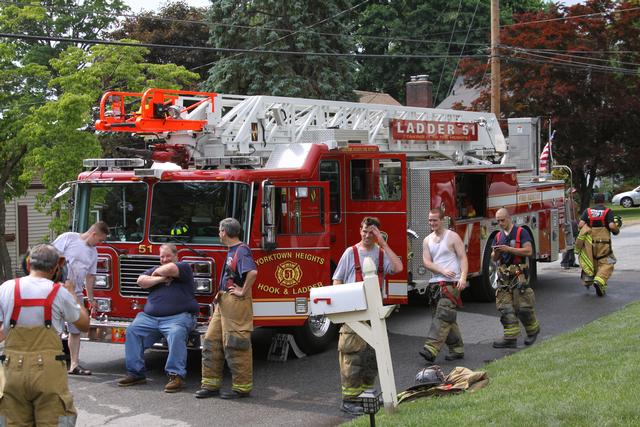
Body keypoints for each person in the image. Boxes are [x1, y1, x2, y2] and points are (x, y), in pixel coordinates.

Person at [0, 244, 89, 426]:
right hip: (48, 371)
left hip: (11, 370)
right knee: (56, 419)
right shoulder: (59, 292)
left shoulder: (6, 288)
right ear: (55, 267)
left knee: (10, 420)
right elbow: (84, 324)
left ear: (28, 263)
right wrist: (73, 295)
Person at [331, 216, 403, 415]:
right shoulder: (350, 253)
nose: (366, 235)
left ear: (377, 234)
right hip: (353, 315)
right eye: (363, 231)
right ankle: (349, 400)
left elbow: (398, 268)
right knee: (352, 358)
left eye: (371, 232)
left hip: (374, 315)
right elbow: (337, 280)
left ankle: (365, 396)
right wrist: (342, 307)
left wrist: (383, 243)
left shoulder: (381, 253)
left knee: (372, 357)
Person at [118, 243, 198, 393]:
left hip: (179, 317)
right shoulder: (157, 271)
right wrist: (161, 279)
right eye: (162, 256)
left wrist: (155, 275)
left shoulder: (184, 267)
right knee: (132, 330)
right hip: (149, 318)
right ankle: (136, 373)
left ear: (176, 256)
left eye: (168, 255)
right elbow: (141, 281)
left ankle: (176, 376)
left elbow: (171, 269)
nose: (164, 259)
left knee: (176, 333)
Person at [196, 218, 257, 399]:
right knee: (211, 341)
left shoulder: (242, 250)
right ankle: (210, 385)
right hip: (224, 300)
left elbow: (252, 272)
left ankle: (241, 388)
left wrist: (242, 291)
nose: (218, 234)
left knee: (236, 343)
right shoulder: (232, 250)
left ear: (224, 232)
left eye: (219, 231)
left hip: (235, 303)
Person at [52, 221, 109, 376]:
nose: (100, 243)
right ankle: (52, 363)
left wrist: (90, 298)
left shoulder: (94, 252)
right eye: (100, 239)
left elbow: (90, 277)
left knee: (75, 329)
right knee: (54, 328)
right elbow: (50, 256)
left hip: (75, 293)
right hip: (57, 289)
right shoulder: (68, 238)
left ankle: (74, 365)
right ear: (93, 234)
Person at [419, 209, 468, 363]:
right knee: (446, 318)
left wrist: (463, 278)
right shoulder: (427, 240)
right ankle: (457, 349)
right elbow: (426, 262)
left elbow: (463, 258)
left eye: (435, 220)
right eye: (430, 221)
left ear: (442, 220)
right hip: (435, 285)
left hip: (452, 284)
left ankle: (431, 348)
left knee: (443, 315)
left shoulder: (452, 237)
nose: (432, 223)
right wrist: (442, 270)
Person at [491, 208, 540, 349]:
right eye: (498, 221)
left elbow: (529, 251)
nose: (500, 223)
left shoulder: (521, 232)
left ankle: (533, 331)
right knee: (505, 308)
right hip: (503, 277)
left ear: (509, 218)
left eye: (502, 220)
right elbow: (495, 258)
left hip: (519, 276)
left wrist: (508, 249)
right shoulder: (498, 236)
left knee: (523, 307)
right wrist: (497, 252)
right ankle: (510, 339)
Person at [576, 193, 620, 296]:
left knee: (592, 262)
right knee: (607, 262)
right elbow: (612, 226)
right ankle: (599, 281)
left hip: (589, 243)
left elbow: (581, 225)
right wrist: (616, 230)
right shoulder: (607, 211)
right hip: (603, 243)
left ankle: (589, 280)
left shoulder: (588, 211)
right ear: (603, 200)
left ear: (594, 201)